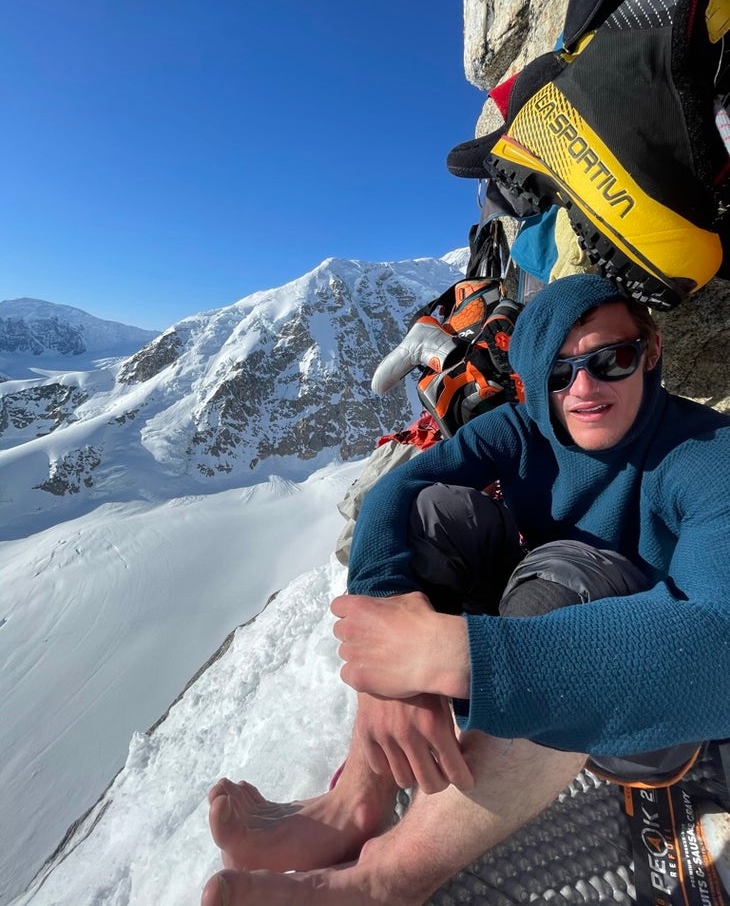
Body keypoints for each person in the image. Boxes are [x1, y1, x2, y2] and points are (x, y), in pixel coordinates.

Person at [200, 273, 730, 906]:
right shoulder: (525, 428)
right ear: (534, 381)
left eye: (609, 360)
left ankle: (386, 878)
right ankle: (357, 802)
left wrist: (458, 655)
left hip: (655, 705)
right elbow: (395, 496)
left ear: (650, 351)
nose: (584, 388)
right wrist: (391, 641)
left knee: (570, 573)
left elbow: (719, 641)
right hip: (536, 631)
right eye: (559, 372)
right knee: (434, 516)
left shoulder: (706, 455)